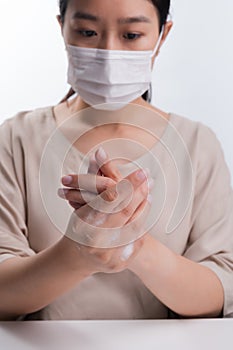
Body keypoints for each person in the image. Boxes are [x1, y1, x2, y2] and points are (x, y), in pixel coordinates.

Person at [0, 0, 232, 321]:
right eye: (87, 32)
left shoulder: (196, 145)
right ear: (62, 29)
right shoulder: (15, 138)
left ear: (162, 36)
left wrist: (132, 244)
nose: (108, 52)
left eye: (132, 35)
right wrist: (78, 254)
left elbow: (220, 292)